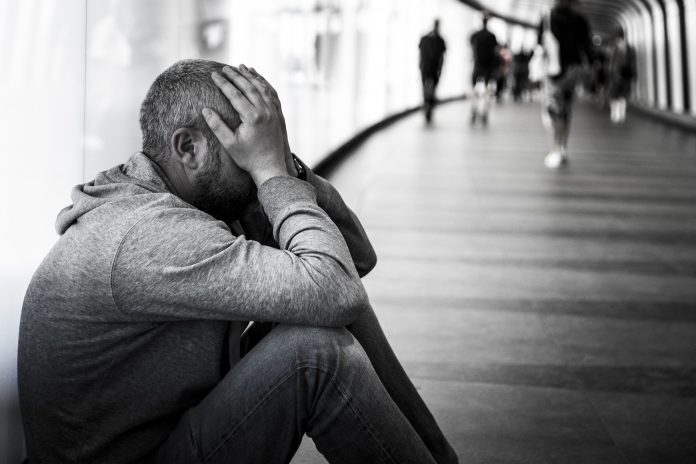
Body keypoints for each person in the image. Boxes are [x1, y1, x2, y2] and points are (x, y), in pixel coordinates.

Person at [18, 60, 459, 464]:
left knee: (322, 305)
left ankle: (439, 458)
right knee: (316, 355)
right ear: (189, 148)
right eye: (243, 149)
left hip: (173, 433)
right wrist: (270, 175)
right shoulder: (146, 233)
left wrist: (288, 171)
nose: (256, 163)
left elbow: (355, 259)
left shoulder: (207, 199)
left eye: (263, 146)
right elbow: (338, 287)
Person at [538, 0, 594, 168]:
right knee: (566, 108)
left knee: (552, 109)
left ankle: (554, 150)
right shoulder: (580, 20)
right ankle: (562, 148)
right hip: (572, 71)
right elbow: (587, 48)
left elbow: (539, 44)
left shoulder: (547, 18)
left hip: (552, 71)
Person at [469, 13, 498, 126]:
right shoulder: (491, 36)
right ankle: (484, 113)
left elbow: (471, 47)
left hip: (477, 65)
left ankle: (474, 110)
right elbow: (495, 51)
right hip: (488, 67)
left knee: (475, 90)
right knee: (486, 91)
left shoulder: (475, 35)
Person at [419, 19, 447, 124]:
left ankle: (427, 104)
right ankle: (429, 105)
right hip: (434, 68)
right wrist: (440, 68)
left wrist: (420, 66)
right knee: (432, 88)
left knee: (426, 87)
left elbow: (420, 53)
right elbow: (442, 57)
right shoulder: (440, 40)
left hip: (425, 68)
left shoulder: (424, 38)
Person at [607, 27, 635, 123]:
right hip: (626, 75)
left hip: (616, 74)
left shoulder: (614, 48)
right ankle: (621, 114)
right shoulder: (629, 48)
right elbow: (632, 62)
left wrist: (611, 73)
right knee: (623, 95)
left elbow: (611, 63)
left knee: (614, 95)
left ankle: (615, 114)